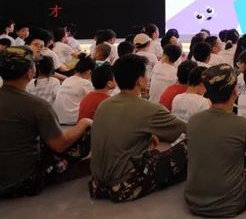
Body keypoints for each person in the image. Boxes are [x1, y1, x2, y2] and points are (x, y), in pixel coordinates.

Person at [184, 64, 246, 217]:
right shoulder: (243, 125)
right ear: (234, 92)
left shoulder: (193, 121)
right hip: (230, 202)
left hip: (193, 200)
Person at [89, 54, 187, 202]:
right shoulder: (149, 109)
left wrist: (149, 134)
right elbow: (189, 129)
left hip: (97, 185)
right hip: (124, 186)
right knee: (188, 146)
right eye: (146, 76)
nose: (148, 79)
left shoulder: (105, 104)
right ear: (140, 80)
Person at [0, 46, 92, 198]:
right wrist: (84, 123)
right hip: (23, 182)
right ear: (30, 73)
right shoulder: (37, 106)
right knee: (85, 132)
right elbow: (60, 144)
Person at [52, 55, 95, 125]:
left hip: (59, 119)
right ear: (89, 72)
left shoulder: (67, 80)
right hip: (73, 120)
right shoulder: (85, 83)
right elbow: (94, 100)